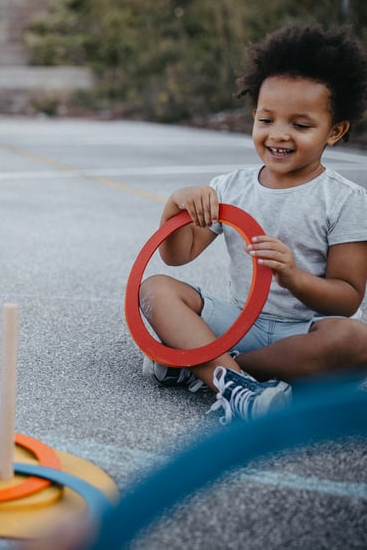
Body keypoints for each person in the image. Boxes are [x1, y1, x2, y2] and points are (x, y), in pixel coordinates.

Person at [139, 24, 367, 424]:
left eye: (300, 125)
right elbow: (176, 256)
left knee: (356, 341)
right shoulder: (231, 187)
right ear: (254, 115)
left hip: (302, 333)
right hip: (240, 321)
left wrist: (294, 276)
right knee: (155, 288)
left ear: (335, 131)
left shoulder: (347, 200)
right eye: (266, 119)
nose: (279, 135)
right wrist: (174, 206)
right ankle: (230, 379)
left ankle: (208, 368)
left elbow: (348, 297)